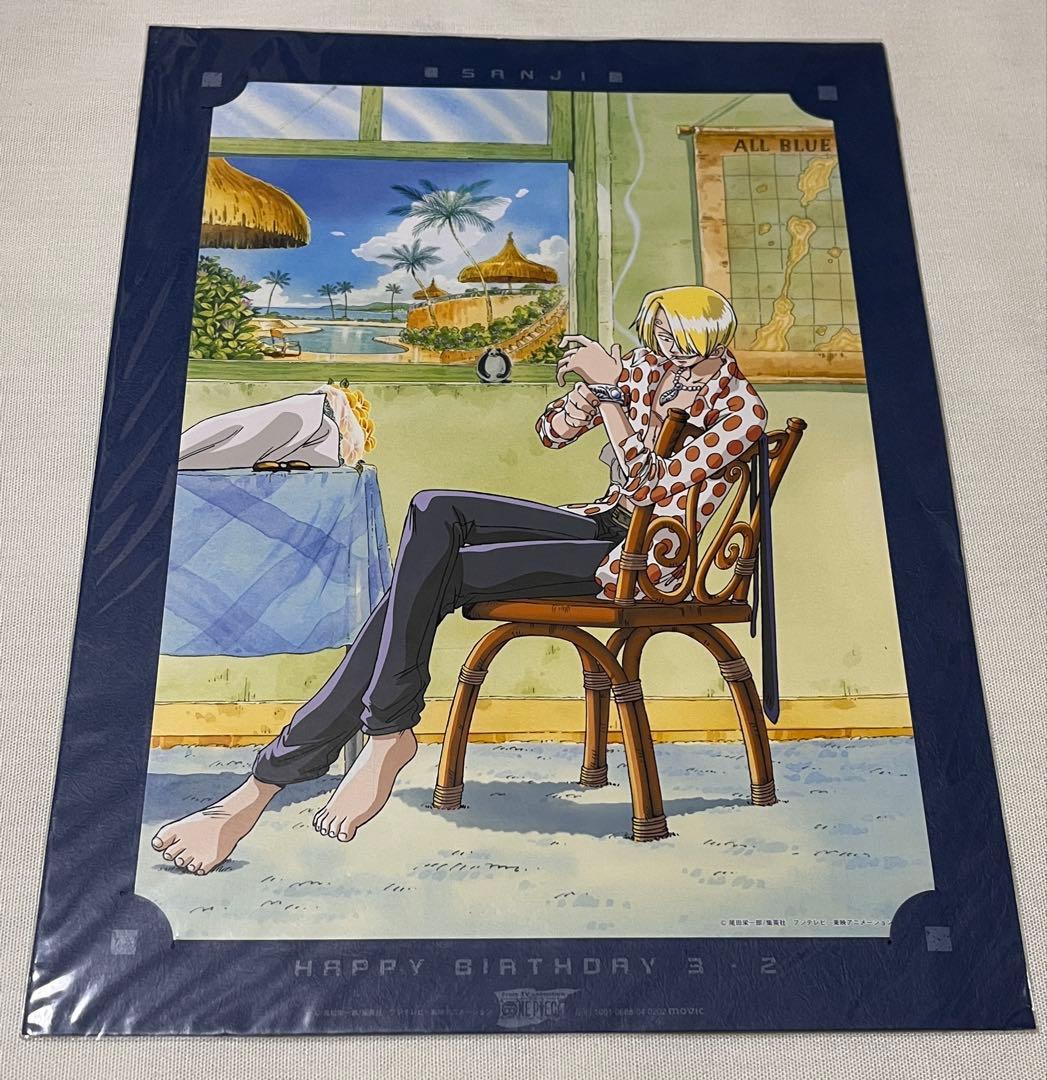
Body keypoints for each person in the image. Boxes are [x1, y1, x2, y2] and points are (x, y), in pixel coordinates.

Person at [150, 285, 768, 874]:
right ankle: (382, 733)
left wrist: (611, 398)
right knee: (434, 510)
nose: (662, 348)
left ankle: (271, 785)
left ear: (711, 337)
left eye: (675, 338)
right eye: (657, 335)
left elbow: (650, 485)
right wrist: (588, 394)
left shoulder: (741, 410)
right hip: (602, 526)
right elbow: (552, 434)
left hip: (647, 563)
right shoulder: (654, 371)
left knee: (424, 582)